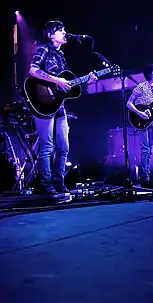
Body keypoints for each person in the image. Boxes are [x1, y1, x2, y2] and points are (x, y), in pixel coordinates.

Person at [28, 20, 97, 196]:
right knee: (47, 146)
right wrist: (57, 80)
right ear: (51, 35)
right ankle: (45, 184)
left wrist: (86, 81)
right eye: (61, 30)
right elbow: (33, 70)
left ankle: (59, 182)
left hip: (59, 106)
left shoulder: (61, 56)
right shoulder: (44, 48)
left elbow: (68, 86)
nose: (65, 33)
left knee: (64, 147)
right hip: (42, 102)